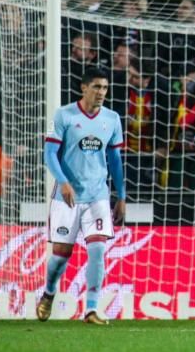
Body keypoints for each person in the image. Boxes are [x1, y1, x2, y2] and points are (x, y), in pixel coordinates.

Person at [36, 67, 126, 325]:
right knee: (61, 254)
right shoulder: (64, 115)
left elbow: (115, 159)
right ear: (83, 88)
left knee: (98, 248)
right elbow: (50, 154)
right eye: (96, 87)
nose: (101, 93)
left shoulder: (112, 118)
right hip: (67, 196)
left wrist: (121, 195)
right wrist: (63, 182)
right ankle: (49, 293)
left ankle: (91, 309)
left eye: (105, 88)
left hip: (97, 195)